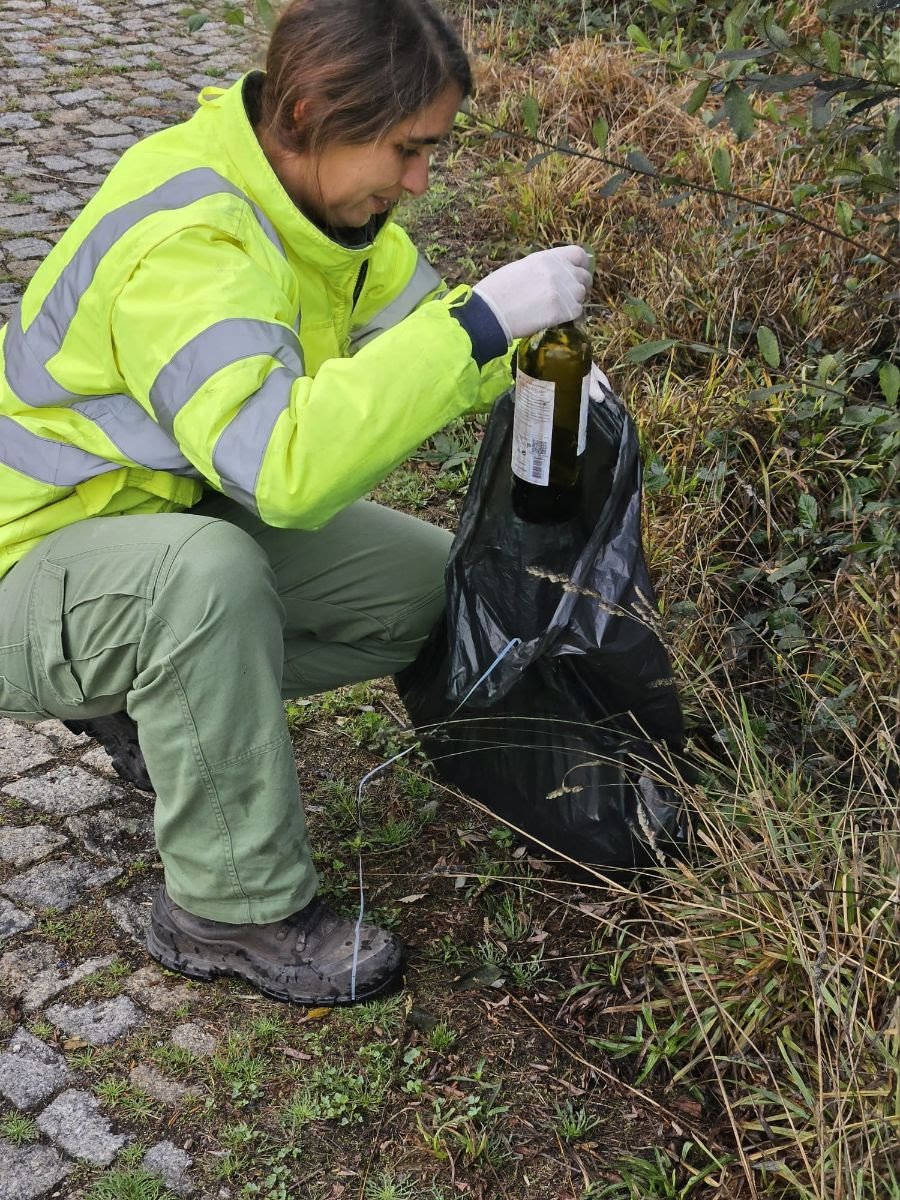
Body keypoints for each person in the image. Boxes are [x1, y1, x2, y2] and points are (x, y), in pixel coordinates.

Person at [0, 0, 592, 1005]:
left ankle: (163, 707)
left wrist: (536, 359)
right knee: (206, 583)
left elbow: (424, 320)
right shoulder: (192, 240)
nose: (419, 181)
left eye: (432, 151)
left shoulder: (316, 211)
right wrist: (479, 327)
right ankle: (230, 907)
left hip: (154, 519)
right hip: (31, 567)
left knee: (423, 589)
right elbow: (281, 469)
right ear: (314, 110)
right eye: (408, 150)